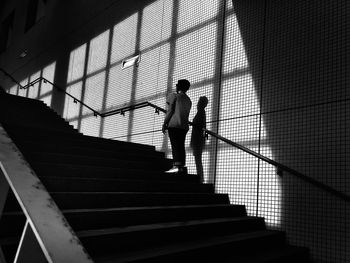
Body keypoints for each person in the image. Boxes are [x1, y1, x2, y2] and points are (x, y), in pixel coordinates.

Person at [162, 79, 192, 174]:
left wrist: (165, 123)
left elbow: (170, 110)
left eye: (176, 85)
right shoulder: (188, 100)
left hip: (174, 125)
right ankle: (181, 166)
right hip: (184, 126)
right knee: (181, 146)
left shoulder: (174, 96)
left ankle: (176, 166)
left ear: (178, 86)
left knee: (175, 145)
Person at [190, 96, 208, 183]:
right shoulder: (201, 113)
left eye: (199, 102)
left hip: (197, 140)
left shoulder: (201, 112)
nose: (197, 104)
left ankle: (200, 178)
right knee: (198, 160)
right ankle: (200, 178)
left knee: (198, 160)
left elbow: (200, 127)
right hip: (198, 140)